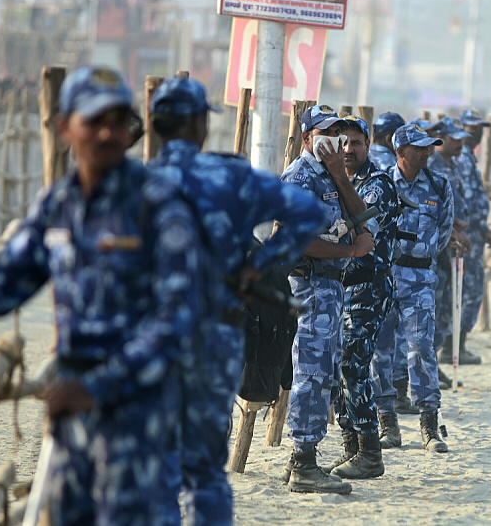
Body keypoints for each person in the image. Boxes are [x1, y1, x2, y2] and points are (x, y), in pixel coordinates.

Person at [0, 66, 204, 526]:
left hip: (140, 410)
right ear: (65, 125)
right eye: (94, 119)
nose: (108, 132)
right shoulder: (58, 206)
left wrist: (97, 387)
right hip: (73, 412)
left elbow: (177, 320)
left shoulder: (160, 206)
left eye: (118, 119)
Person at [147, 76, 324, 523]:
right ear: (202, 127)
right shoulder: (226, 176)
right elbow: (308, 213)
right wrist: (263, 265)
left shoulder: (129, 182)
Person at [280, 105, 375, 495]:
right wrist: (350, 252)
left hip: (330, 288)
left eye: (338, 132)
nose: (335, 140)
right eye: (325, 133)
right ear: (306, 138)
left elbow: (363, 216)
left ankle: (301, 460)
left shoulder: (330, 173)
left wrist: (339, 175)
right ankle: (303, 463)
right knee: (312, 375)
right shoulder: (300, 177)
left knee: (325, 372)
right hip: (310, 285)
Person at [326, 115, 400, 480]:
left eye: (355, 142)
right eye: (342, 142)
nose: (348, 150)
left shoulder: (378, 185)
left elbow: (360, 229)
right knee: (335, 366)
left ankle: (371, 450)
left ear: (368, 146)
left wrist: (339, 180)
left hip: (368, 287)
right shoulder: (331, 182)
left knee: (353, 365)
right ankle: (351, 447)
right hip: (338, 287)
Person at [376, 123, 454, 453]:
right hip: (383, 276)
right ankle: (387, 423)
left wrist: (420, 257)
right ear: (400, 152)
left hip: (421, 279)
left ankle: (429, 426)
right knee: (379, 350)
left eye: (429, 147)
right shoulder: (381, 185)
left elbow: (445, 232)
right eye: (420, 148)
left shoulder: (438, 185)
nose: (427, 152)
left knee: (421, 348)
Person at [426, 117, 476, 370]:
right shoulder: (432, 166)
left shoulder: (452, 165)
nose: (460, 142)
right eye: (454, 138)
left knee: (446, 306)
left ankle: (436, 363)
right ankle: (430, 365)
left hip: (453, 242)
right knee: (435, 308)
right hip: (440, 245)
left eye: (460, 138)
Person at [454, 110, 491, 355]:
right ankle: (455, 346)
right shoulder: (461, 159)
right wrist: (484, 230)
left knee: (470, 289)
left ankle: (458, 345)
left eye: (480, 130)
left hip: (474, 235)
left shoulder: (469, 159)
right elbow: (468, 205)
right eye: (472, 129)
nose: (477, 134)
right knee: (468, 290)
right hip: (467, 236)